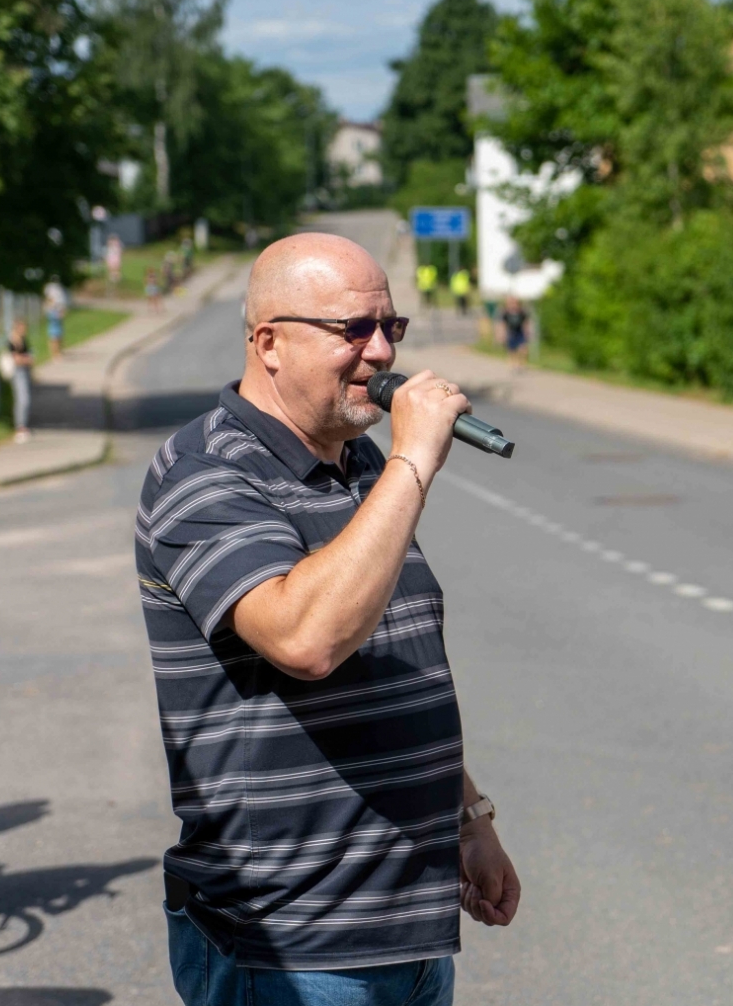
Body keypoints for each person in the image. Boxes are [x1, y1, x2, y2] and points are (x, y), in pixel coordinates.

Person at [137, 232, 518, 1006]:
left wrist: (468, 816)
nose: (381, 353)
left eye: (392, 328)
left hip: (405, 926)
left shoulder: (360, 466)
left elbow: (385, 663)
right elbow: (306, 639)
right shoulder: (204, 470)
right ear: (269, 342)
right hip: (291, 941)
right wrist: (415, 461)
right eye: (353, 330)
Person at [7, 320, 35, 443]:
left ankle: (23, 426)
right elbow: (16, 359)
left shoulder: (23, 340)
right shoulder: (13, 341)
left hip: (25, 372)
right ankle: (20, 427)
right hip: (18, 373)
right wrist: (28, 359)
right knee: (22, 399)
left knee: (26, 398)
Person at [498, 295, 531, 372]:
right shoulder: (506, 313)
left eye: (515, 303)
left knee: (523, 349)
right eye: (511, 303)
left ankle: (521, 364)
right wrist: (501, 334)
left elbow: (525, 323)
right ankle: (513, 365)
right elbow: (502, 324)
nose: (513, 305)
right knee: (512, 351)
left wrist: (527, 332)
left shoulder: (522, 312)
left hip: (520, 332)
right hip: (511, 333)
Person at [44, 281, 68, 357]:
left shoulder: (56, 305)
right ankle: (54, 354)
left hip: (58, 324)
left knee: (59, 338)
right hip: (53, 325)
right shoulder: (48, 307)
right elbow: (50, 314)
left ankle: (59, 351)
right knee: (54, 340)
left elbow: (62, 312)